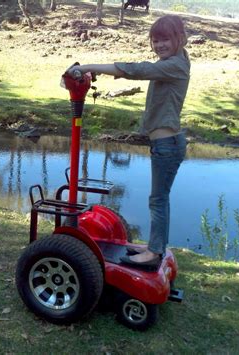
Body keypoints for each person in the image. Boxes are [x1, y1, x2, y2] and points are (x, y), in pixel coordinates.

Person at [67, 15, 190, 267]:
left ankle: (154, 252)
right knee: (159, 199)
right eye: (155, 40)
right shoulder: (174, 61)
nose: (160, 45)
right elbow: (140, 69)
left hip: (167, 145)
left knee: (158, 199)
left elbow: (137, 70)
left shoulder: (175, 65)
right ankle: (155, 247)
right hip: (164, 144)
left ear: (180, 38)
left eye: (165, 39)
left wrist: (89, 67)